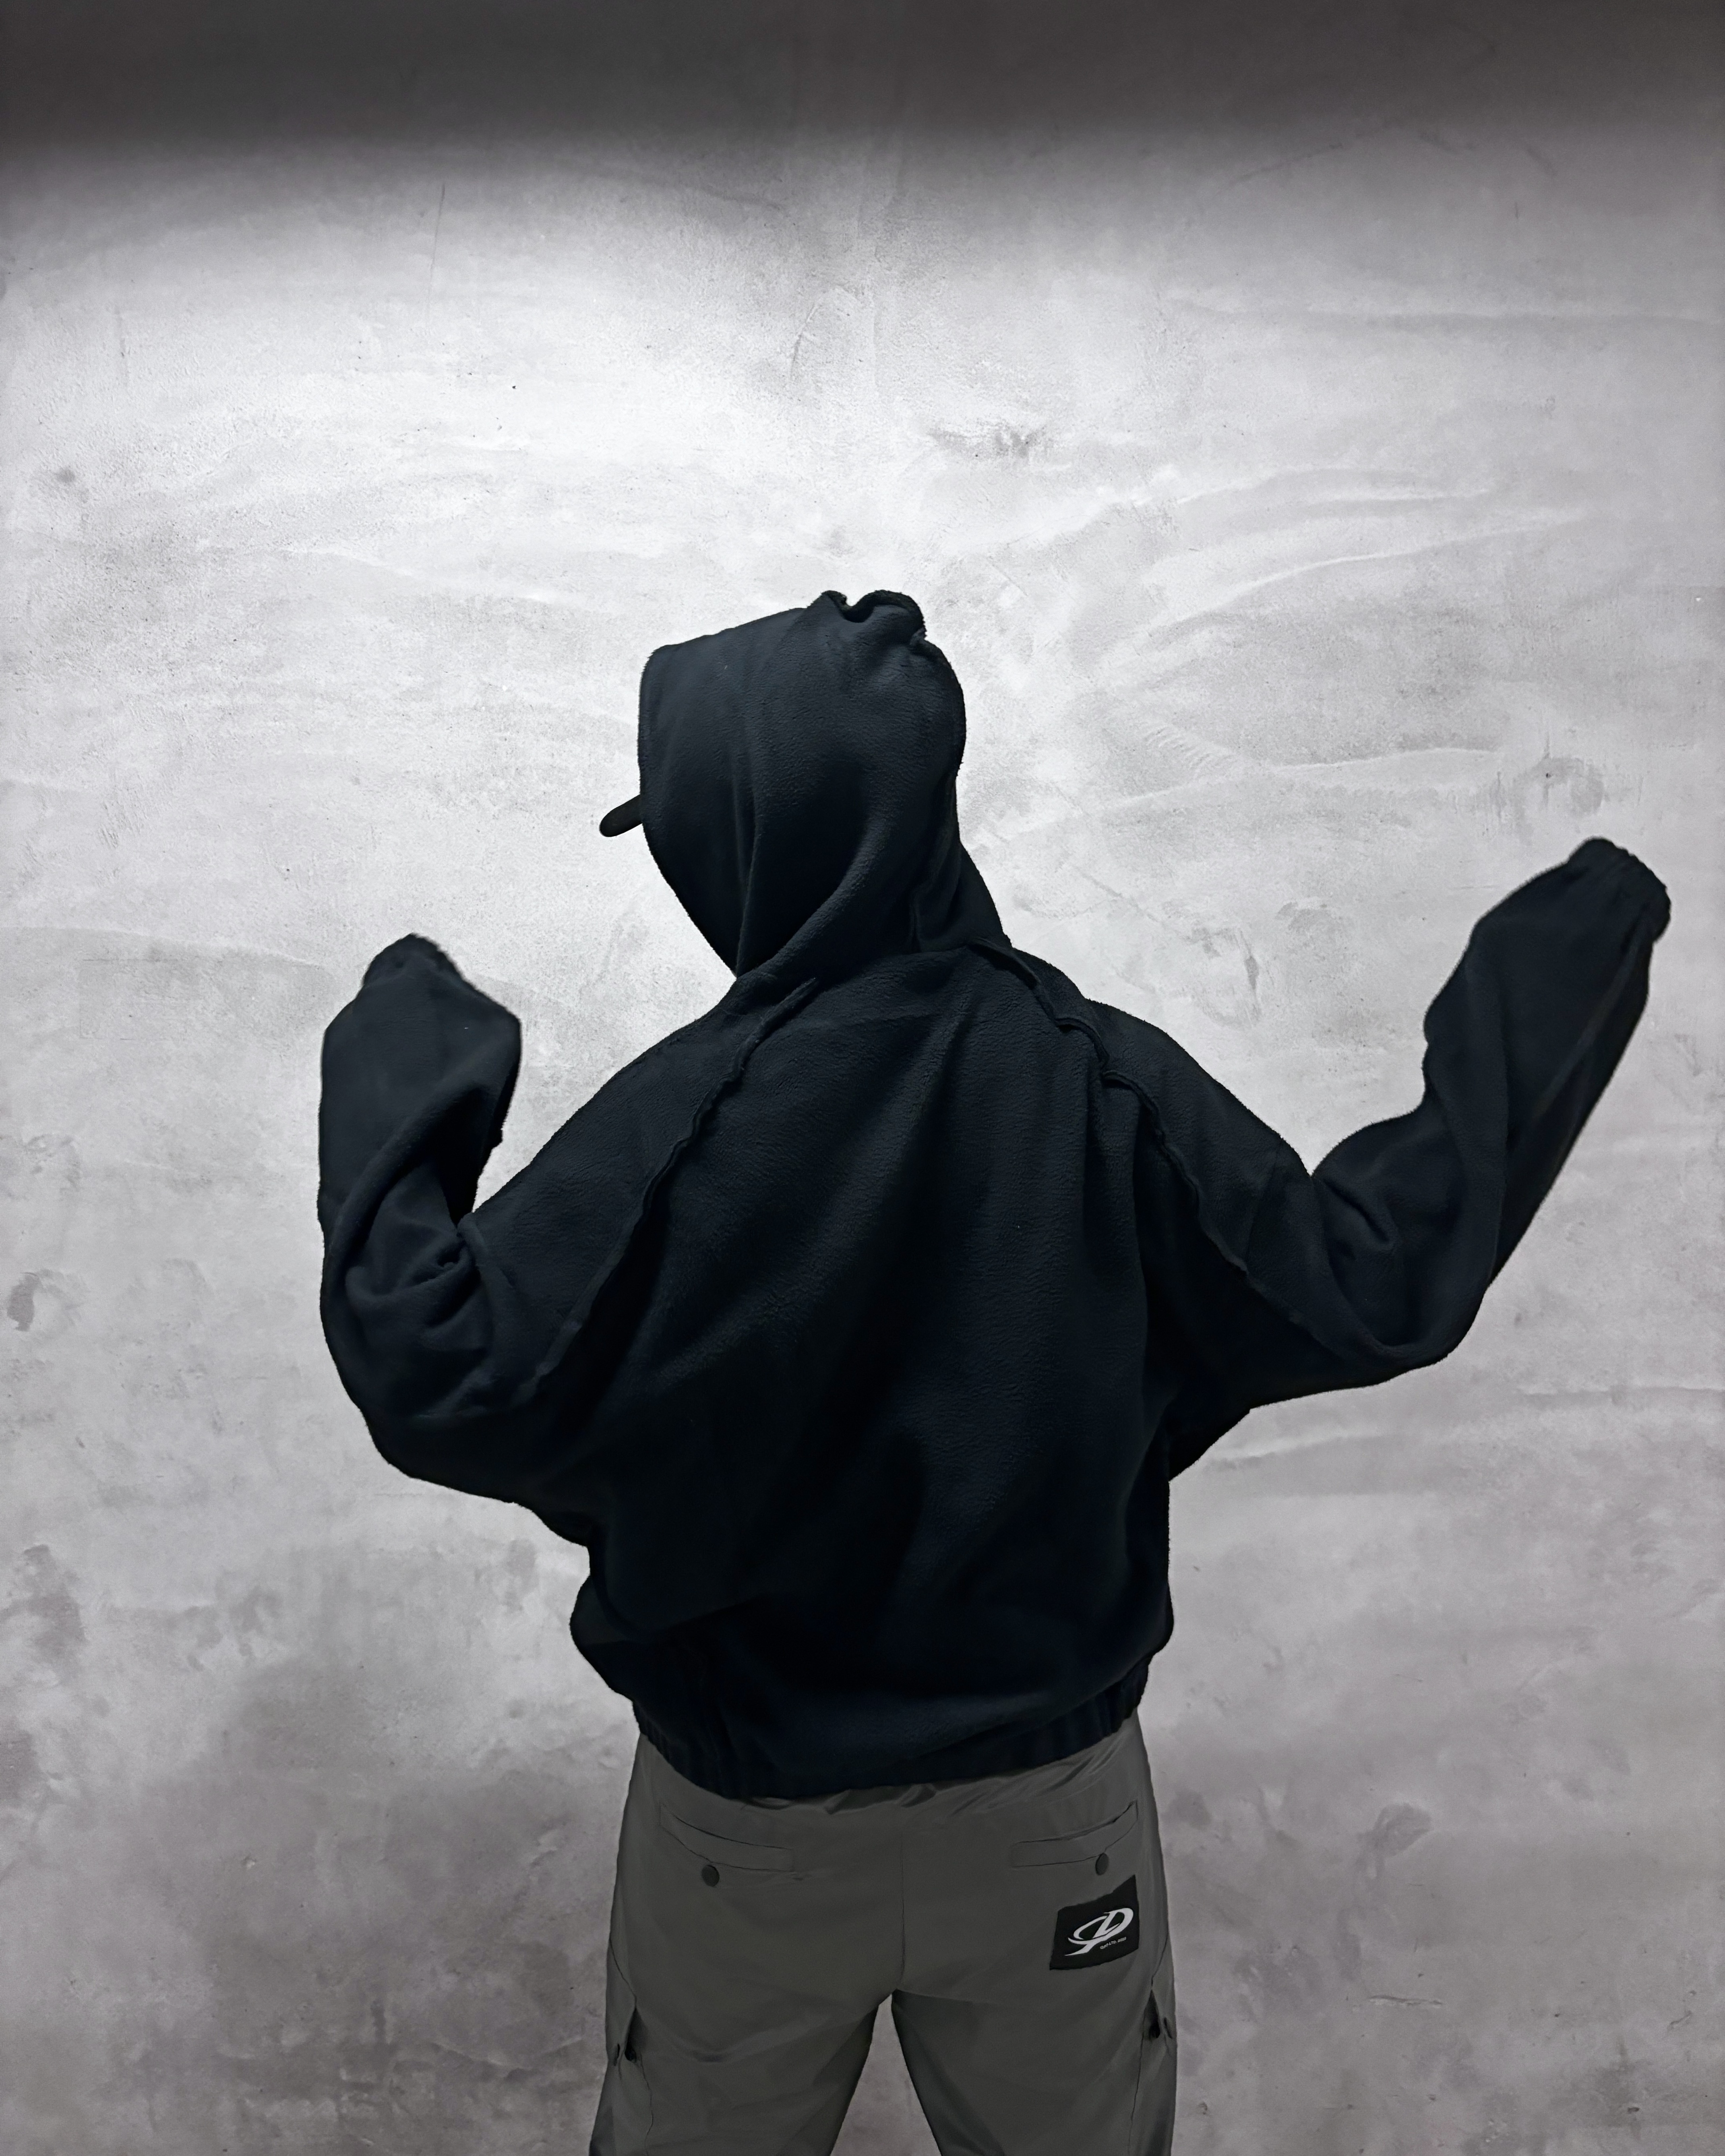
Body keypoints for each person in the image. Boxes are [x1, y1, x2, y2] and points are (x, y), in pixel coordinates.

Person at [316, 589, 1670, 2156]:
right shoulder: (1100, 1082)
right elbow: (1365, 1285)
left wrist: (412, 1056)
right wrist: (1557, 973)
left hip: (747, 1846)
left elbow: (439, 1366)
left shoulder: (681, 1129)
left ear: (753, 840)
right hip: (1047, 1830)